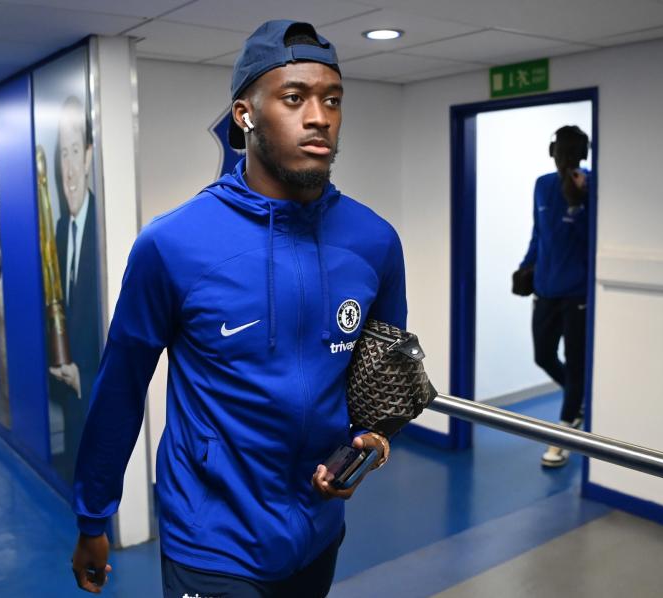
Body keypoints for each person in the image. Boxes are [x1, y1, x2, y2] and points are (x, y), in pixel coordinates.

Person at [70, 20, 405, 597]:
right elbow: (121, 388)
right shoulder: (174, 244)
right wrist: (93, 516)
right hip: (213, 539)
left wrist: (368, 438)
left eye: (332, 99)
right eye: (294, 98)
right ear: (245, 114)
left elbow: (380, 374)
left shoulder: (374, 241)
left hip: (319, 532)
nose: (319, 116)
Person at [514, 125, 591, 468]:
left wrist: (580, 202)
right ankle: (579, 397)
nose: (564, 156)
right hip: (546, 289)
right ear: (552, 151)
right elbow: (538, 234)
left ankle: (564, 431)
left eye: (571, 150)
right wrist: (525, 267)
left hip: (578, 293)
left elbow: (592, 237)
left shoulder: (591, 183)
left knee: (575, 362)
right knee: (544, 356)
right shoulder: (542, 185)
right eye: (560, 149)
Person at [48, 95, 102, 482]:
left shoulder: (106, 229)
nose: (68, 168)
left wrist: (84, 371)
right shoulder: (61, 230)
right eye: (60, 155)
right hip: (68, 384)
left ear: (87, 157)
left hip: (95, 385)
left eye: (73, 152)